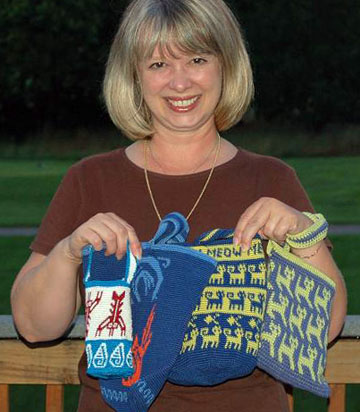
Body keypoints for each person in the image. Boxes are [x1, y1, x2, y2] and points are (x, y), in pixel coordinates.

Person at [11, 0, 347, 411]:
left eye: (197, 59)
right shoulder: (89, 180)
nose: (180, 82)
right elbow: (32, 326)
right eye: (158, 65)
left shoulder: (272, 180)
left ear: (226, 66)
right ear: (134, 76)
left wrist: (302, 233)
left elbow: (324, 329)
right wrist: (66, 253)